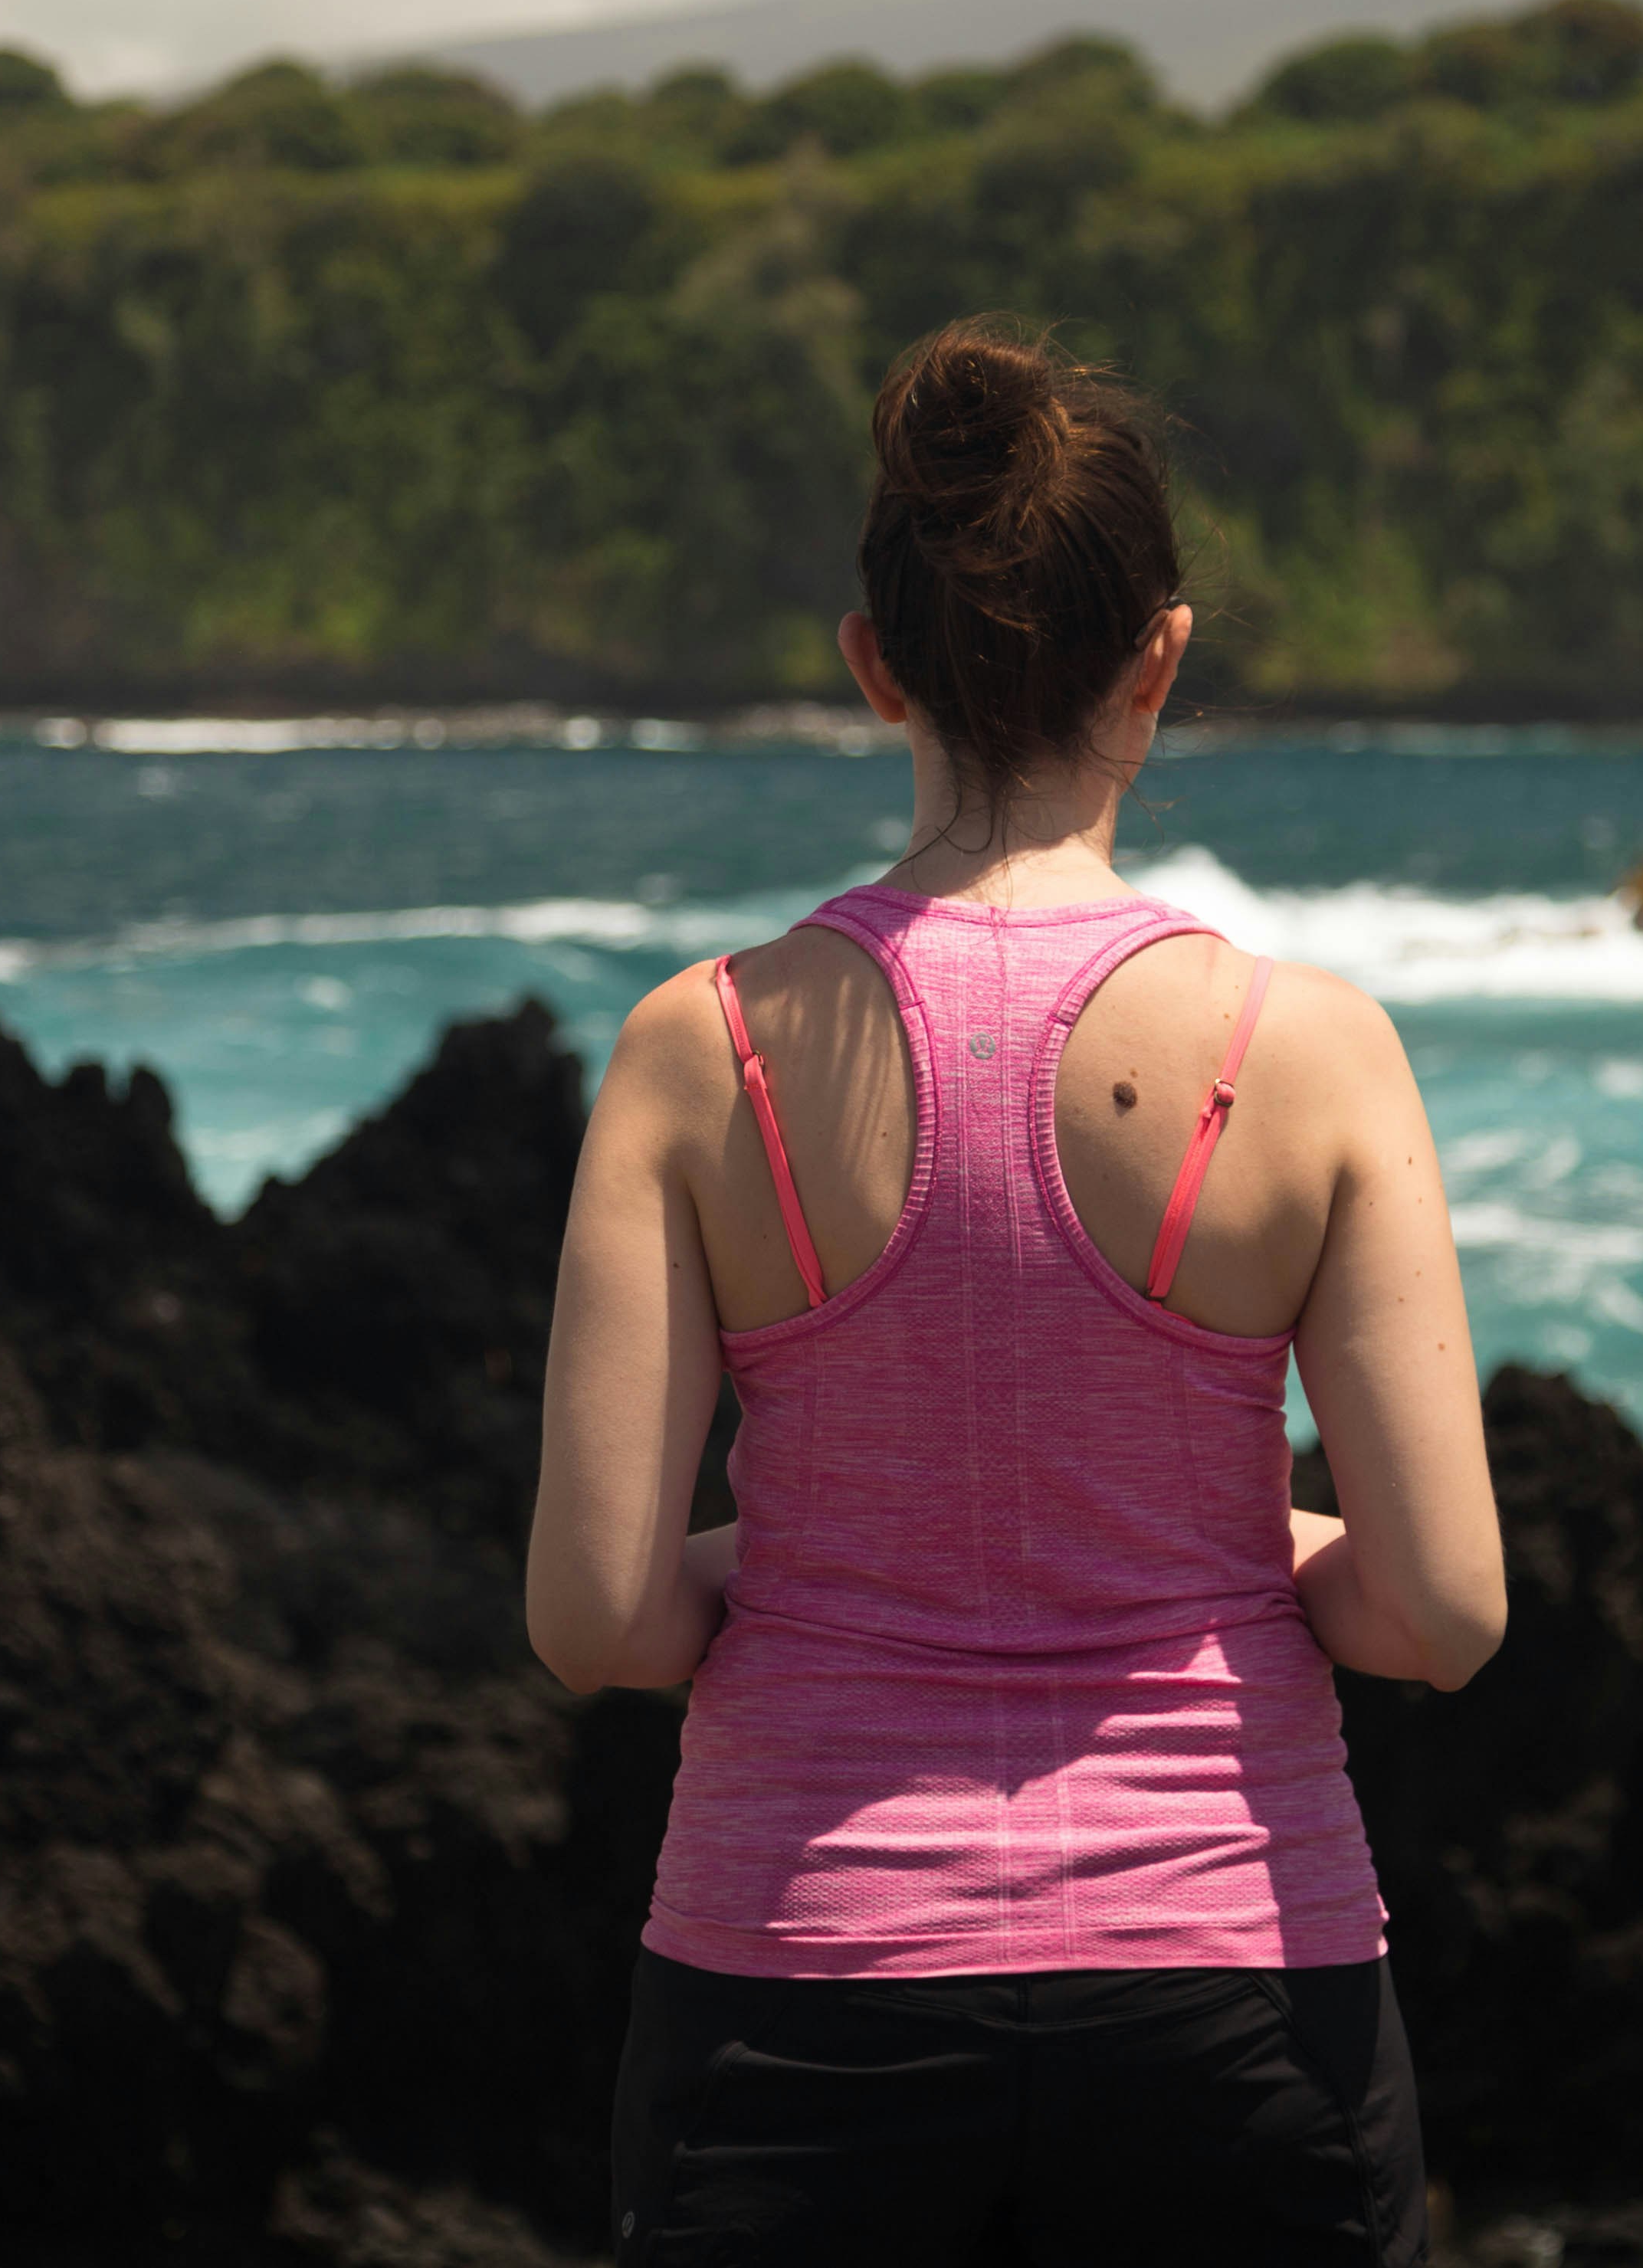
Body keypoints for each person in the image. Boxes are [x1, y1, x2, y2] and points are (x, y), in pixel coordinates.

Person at [527, 316, 1507, 2264]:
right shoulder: (1310, 1052)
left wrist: (818, 1559)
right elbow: (1441, 1609)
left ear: (871, 659)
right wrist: (1255, 1544)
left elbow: (602, 1619)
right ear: (1161, 656)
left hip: (795, 1992)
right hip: (1234, 2003)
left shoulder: (694, 1052)